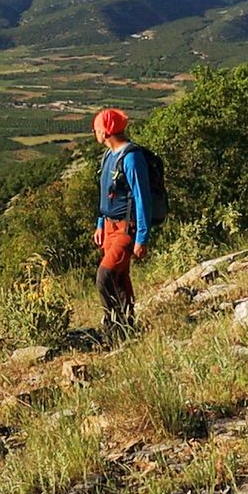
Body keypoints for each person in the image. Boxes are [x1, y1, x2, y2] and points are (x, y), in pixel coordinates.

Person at [91, 107, 152, 337]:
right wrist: (100, 224)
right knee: (119, 277)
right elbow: (106, 192)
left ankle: (112, 326)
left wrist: (142, 237)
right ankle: (126, 327)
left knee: (104, 276)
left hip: (125, 229)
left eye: (97, 129)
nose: (95, 133)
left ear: (106, 132)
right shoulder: (109, 156)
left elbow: (142, 198)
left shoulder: (132, 158)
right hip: (109, 227)